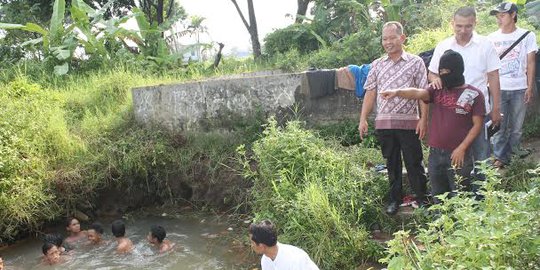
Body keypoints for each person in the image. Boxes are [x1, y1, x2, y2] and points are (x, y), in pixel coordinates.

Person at [381, 50, 485, 203]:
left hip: (459, 155)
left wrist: (462, 148)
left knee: (462, 197)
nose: (443, 75)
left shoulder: (474, 94)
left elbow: (477, 125)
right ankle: (441, 227)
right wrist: (397, 92)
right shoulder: (437, 90)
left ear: (457, 70)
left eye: (447, 71)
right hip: (435, 155)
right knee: (438, 198)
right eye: (441, 71)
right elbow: (418, 93)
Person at [359, 21, 429, 215]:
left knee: (414, 161)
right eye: (384, 38)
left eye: (392, 37)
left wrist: (423, 120)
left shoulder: (416, 62)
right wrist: (363, 119)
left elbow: (424, 94)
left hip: (409, 123)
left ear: (402, 38)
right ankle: (394, 199)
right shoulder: (377, 65)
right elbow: (370, 93)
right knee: (392, 163)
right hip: (384, 124)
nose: (388, 42)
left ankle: (421, 197)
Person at [428, 6, 502, 170]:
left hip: (478, 113)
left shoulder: (485, 44)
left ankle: (482, 195)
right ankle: (457, 194)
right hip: (450, 114)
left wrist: (496, 108)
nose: (463, 30)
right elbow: (432, 73)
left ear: (475, 23)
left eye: (468, 26)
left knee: (481, 159)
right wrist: (436, 80)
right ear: (452, 23)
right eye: (459, 26)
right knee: (454, 163)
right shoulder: (443, 46)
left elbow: (494, 77)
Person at [488, 2, 538, 168]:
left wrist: (530, 86)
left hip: (520, 87)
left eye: (502, 15)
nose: (499, 19)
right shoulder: (491, 38)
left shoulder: (527, 35)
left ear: (513, 15)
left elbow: (531, 63)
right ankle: (499, 157)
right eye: (497, 16)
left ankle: (514, 153)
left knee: (517, 126)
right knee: (499, 125)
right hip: (498, 88)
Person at [248, 220, 319, 270]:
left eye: (252, 243)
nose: (251, 246)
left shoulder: (294, 259)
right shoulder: (265, 260)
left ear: (261, 246)